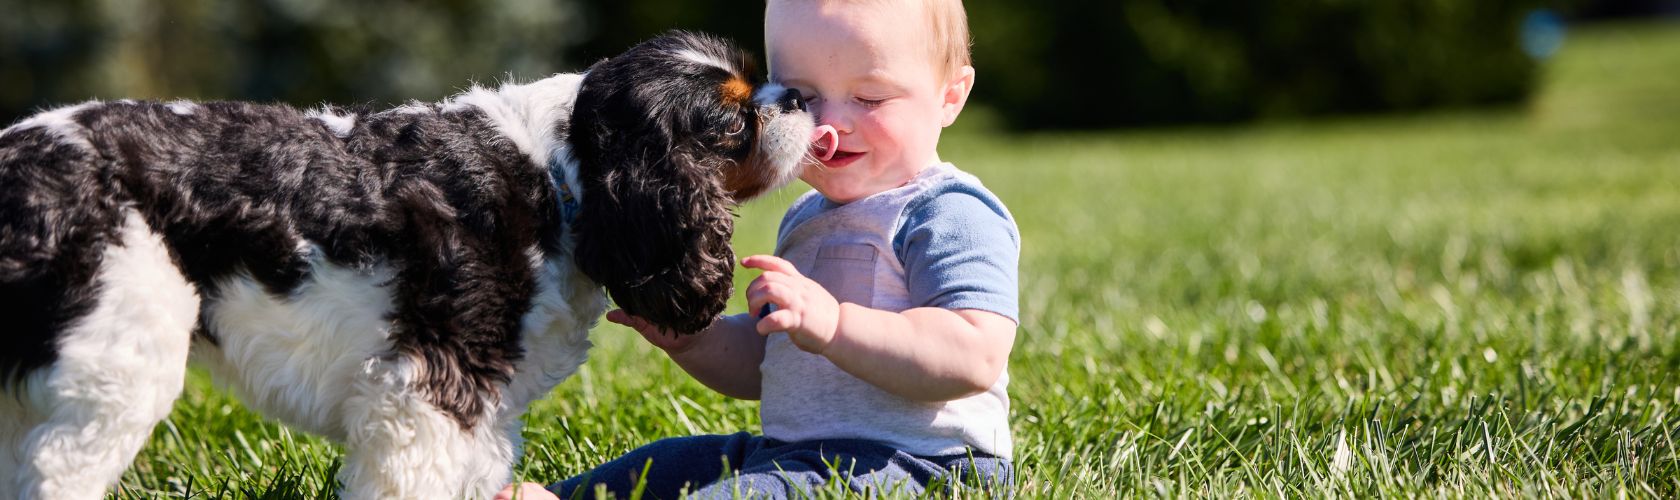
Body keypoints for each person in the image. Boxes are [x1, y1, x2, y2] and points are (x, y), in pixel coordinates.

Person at [499, 0, 1018, 497]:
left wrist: (835, 326)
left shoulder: (948, 211)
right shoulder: (806, 217)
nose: (830, 122)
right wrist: (694, 341)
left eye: (870, 98)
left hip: (924, 465)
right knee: (671, 463)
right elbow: (768, 362)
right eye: (802, 95)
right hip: (790, 454)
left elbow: (973, 355)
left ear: (951, 95)